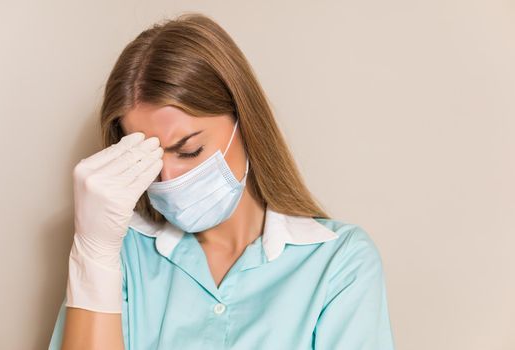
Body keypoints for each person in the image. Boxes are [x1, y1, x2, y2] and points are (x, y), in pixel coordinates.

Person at [48, 12, 395, 350]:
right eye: (149, 161)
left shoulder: (338, 262)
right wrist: (93, 253)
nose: (168, 178)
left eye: (189, 150)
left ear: (244, 123)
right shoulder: (120, 253)